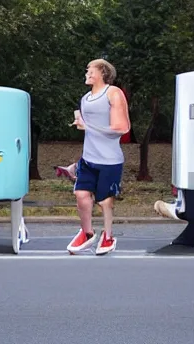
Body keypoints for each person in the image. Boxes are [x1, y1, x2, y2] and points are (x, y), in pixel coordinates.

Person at [66, 58, 130, 255]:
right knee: (81, 195)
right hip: (88, 159)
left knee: (105, 201)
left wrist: (88, 127)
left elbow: (122, 128)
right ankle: (87, 233)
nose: (87, 73)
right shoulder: (85, 99)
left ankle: (108, 235)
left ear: (102, 72)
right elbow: (91, 133)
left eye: (90, 70)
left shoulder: (113, 93)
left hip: (109, 160)